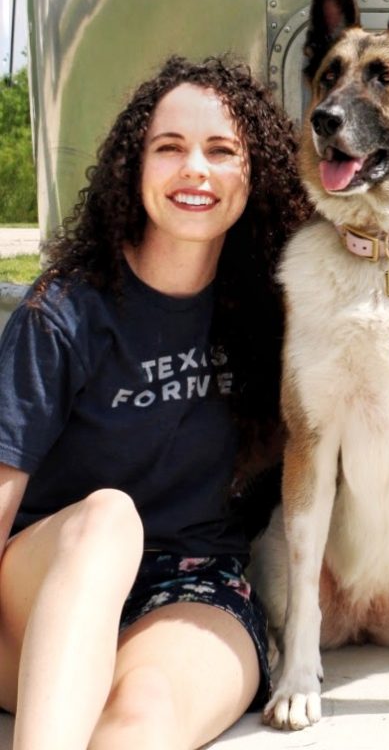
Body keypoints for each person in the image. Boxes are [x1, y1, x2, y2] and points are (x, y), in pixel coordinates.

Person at [0, 57, 310, 750]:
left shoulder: (272, 314)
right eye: (169, 147)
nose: (195, 169)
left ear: (255, 175)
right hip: (50, 583)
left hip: (192, 585)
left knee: (142, 717)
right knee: (108, 519)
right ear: (133, 168)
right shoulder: (66, 311)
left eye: (221, 151)